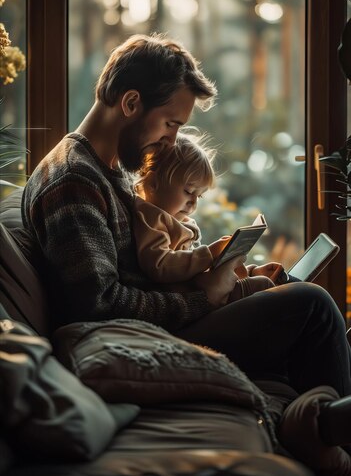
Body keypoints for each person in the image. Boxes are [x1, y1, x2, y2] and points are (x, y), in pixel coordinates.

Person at [22, 33, 351, 416]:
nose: (170, 141)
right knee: (312, 304)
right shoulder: (73, 183)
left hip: (161, 323)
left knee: (286, 294)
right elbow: (99, 309)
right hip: (141, 339)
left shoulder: (111, 167)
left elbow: (145, 264)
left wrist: (215, 276)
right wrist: (205, 298)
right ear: (131, 103)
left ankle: (321, 419)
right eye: (169, 124)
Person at [133, 129, 280, 299]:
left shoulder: (177, 220)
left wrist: (240, 267)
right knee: (266, 287)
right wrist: (209, 254)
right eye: (189, 191)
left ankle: (248, 274)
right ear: (153, 184)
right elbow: (161, 266)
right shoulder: (150, 218)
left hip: (200, 287)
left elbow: (192, 268)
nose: (194, 202)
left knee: (265, 283)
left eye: (199, 195)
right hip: (191, 298)